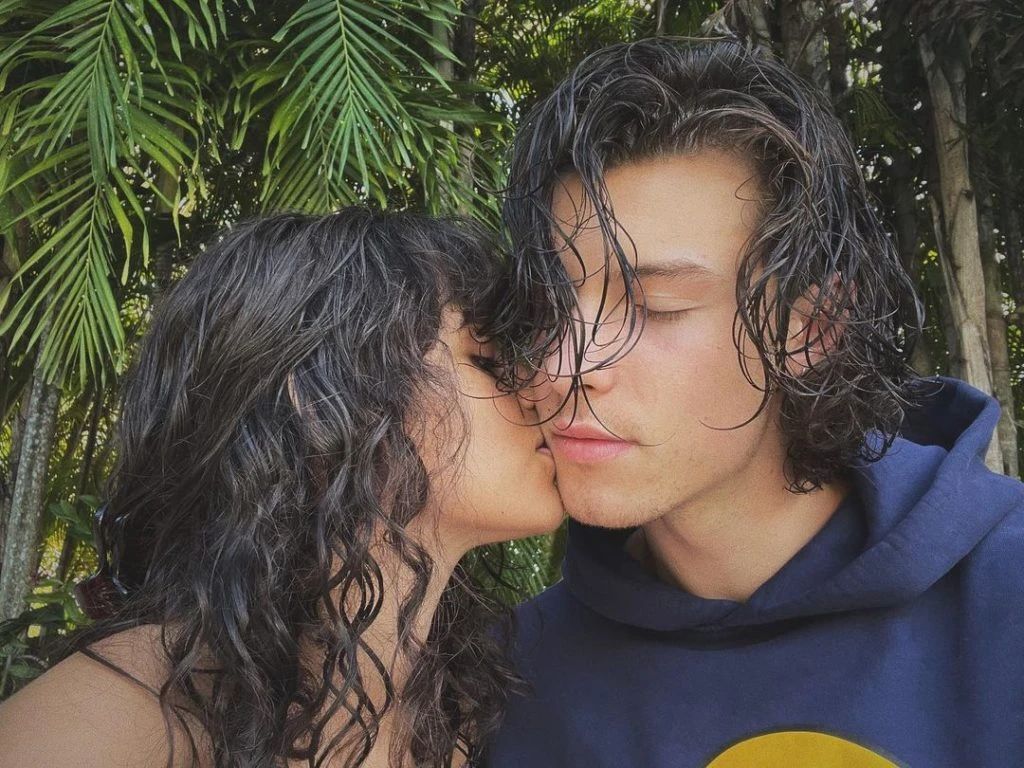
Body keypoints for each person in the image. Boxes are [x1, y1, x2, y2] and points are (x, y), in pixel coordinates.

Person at [485, 37, 1024, 767]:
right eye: (548, 303)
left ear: (814, 328)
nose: (561, 365)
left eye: (656, 307)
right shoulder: (506, 682)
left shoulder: (1003, 601)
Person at [0, 209, 563, 768]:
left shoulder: (471, 708)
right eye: (486, 361)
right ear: (325, 400)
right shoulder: (134, 709)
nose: (542, 388)